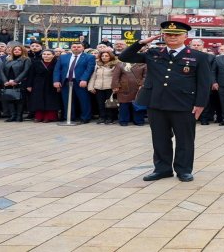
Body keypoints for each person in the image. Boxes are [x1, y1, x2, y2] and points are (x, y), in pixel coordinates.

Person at [120, 21, 211, 182]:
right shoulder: (154, 53)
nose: (172, 37)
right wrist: (142, 42)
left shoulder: (199, 56)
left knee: (185, 139)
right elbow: (124, 56)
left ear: (185, 36)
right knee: (160, 138)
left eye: (176, 34)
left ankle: (183, 170)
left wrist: (200, 104)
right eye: (169, 34)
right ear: (163, 36)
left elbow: (204, 83)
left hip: (184, 104)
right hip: (157, 102)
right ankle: (162, 169)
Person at [53, 43, 94, 124]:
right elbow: (57, 69)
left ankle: (85, 117)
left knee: (84, 100)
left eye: (78, 47)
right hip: (66, 81)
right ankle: (69, 117)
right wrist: (56, 80)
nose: (76, 48)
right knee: (67, 100)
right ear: (71, 48)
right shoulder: (63, 57)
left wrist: (84, 79)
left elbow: (89, 69)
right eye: (74, 47)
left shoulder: (89, 57)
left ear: (83, 48)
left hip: (80, 81)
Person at [27, 49, 62, 123]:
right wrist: (29, 85)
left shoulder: (57, 63)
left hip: (52, 83)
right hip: (38, 84)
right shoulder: (36, 63)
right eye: (44, 54)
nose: (46, 56)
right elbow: (31, 74)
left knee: (51, 100)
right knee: (38, 100)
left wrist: (58, 84)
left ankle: (50, 117)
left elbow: (60, 74)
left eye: (48, 54)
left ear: (53, 55)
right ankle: (39, 116)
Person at [0, 45, 31, 122]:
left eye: (19, 50)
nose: (16, 51)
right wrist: (5, 81)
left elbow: (26, 71)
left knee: (19, 100)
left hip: (20, 82)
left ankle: (19, 116)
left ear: (23, 51)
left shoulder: (26, 59)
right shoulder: (7, 59)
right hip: (8, 83)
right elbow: (1, 71)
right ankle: (12, 116)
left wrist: (16, 81)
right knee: (10, 99)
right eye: (15, 50)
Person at [112, 58, 147, 126]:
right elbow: (115, 76)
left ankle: (139, 121)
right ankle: (123, 121)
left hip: (138, 88)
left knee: (138, 105)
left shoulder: (143, 64)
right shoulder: (120, 64)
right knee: (124, 105)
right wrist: (115, 86)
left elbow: (146, 76)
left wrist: (142, 84)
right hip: (123, 88)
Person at [88, 51, 119, 125]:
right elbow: (93, 77)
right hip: (98, 87)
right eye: (103, 56)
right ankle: (102, 117)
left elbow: (117, 77)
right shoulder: (98, 65)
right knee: (100, 103)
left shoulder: (115, 65)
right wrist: (91, 87)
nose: (104, 57)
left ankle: (110, 118)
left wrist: (116, 86)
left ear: (110, 57)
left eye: (106, 56)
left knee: (109, 104)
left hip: (109, 87)